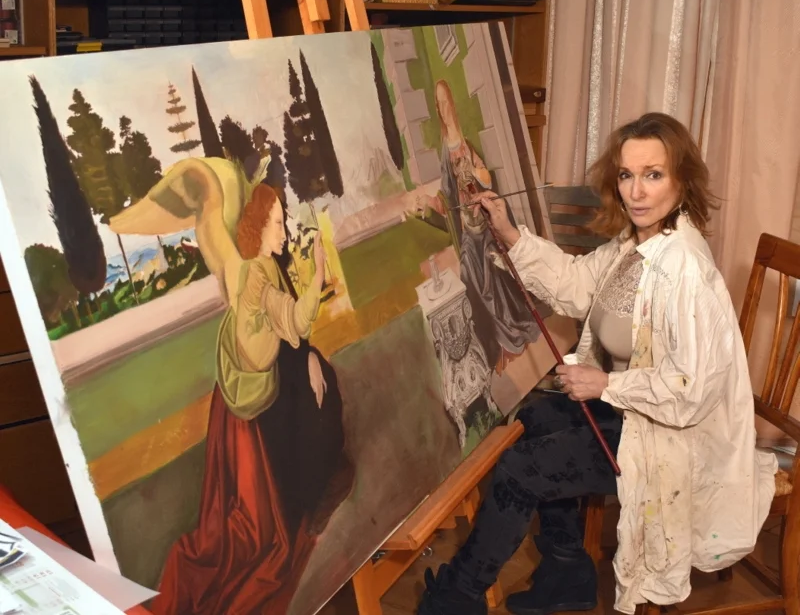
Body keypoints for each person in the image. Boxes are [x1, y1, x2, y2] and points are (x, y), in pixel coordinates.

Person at [416, 112, 778, 615]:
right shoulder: (638, 242)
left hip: (670, 441)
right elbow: (577, 283)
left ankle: (458, 598)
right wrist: (510, 233)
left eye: (653, 175)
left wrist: (605, 383)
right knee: (533, 417)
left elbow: (691, 388)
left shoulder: (685, 270)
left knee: (521, 468)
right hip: (637, 416)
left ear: (682, 180)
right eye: (627, 175)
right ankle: (566, 572)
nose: (636, 191)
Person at [111, 160, 354, 614]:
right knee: (301, 429)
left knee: (323, 388)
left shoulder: (265, 265)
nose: (284, 231)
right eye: (277, 223)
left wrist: (309, 355)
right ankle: (305, 495)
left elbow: (289, 329)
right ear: (257, 226)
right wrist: (316, 278)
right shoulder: (250, 271)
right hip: (252, 391)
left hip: (270, 373)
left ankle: (310, 487)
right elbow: (281, 329)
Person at [418, 79, 548, 374]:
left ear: (452, 104)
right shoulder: (445, 151)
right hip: (468, 228)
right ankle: (492, 343)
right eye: (439, 104)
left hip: (485, 224)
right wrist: (432, 201)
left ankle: (509, 331)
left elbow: (486, 177)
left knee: (492, 272)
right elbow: (447, 193)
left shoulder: (465, 143)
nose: (444, 108)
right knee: (468, 272)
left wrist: (479, 174)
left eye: (446, 101)